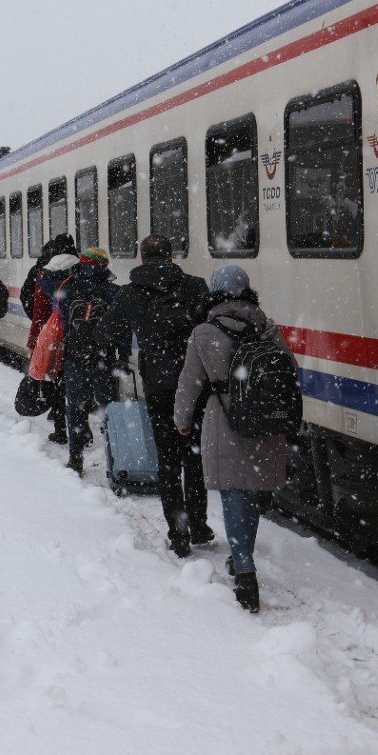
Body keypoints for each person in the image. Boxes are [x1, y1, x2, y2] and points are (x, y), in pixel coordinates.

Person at [173, 264, 294, 613]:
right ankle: (244, 559)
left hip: (224, 419)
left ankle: (244, 571)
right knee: (252, 490)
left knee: (234, 491)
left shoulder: (204, 331)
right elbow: (289, 369)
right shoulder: (265, 325)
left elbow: (189, 382)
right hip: (263, 419)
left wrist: (182, 419)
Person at [98, 234, 214, 557]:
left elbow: (105, 332)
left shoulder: (130, 293)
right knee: (193, 455)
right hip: (194, 383)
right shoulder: (195, 287)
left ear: (141, 258)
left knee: (167, 461)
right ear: (172, 256)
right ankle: (200, 524)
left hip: (159, 386)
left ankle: (178, 535)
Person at [56, 248, 121, 473]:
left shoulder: (68, 288)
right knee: (110, 410)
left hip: (75, 357)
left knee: (75, 409)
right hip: (103, 358)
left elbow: (63, 322)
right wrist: (121, 356)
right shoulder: (113, 291)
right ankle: (116, 461)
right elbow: (121, 328)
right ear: (103, 266)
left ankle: (76, 457)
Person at [26, 235, 79, 443]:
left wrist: (36, 338)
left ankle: (60, 429)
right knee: (74, 386)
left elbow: (38, 310)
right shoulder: (80, 272)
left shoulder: (46, 275)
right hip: (76, 337)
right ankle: (82, 431)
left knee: (54, 382)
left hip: (52, 339)